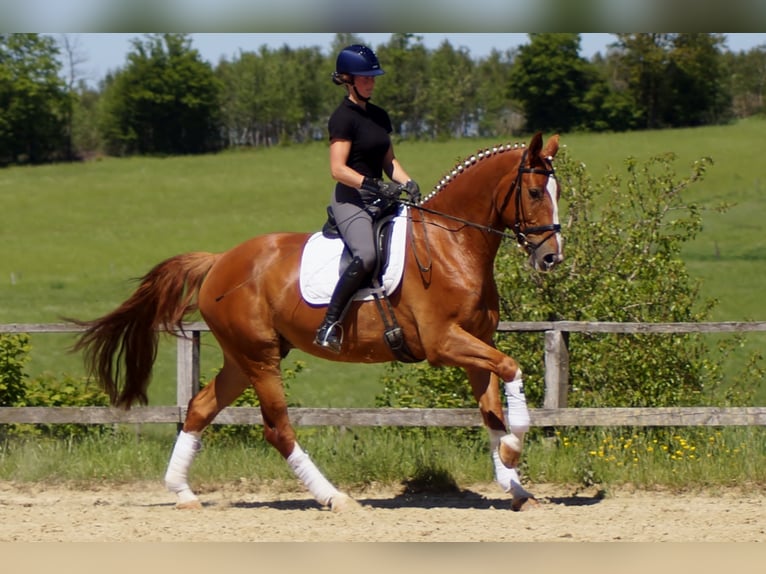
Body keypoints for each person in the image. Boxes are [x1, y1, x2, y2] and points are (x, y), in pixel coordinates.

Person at [314, 44, 420, 353]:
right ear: (347, 79)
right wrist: (373, 185)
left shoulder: (378, 116)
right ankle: (329, 324)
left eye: (373, 78)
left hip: (379, 197)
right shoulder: (342, 118)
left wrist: (408, 181)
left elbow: (390, 163)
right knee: (367, 255)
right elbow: (337, 169)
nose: (371, 83)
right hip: (351, 199)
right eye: (364, 78)